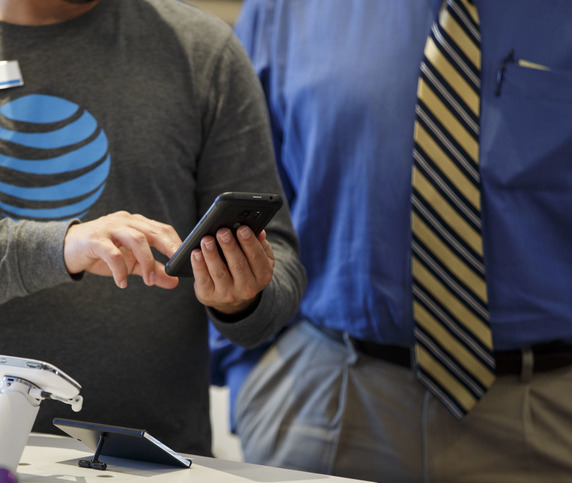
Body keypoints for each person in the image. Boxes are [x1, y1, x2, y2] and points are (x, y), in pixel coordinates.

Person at [0, 0, 306, 457]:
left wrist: (240, 297)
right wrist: (62, 246)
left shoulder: (203, 50)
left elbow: (277, 277)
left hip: (145, 455)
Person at [211, 0, 572, 480]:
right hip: (328, 401)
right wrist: (247, 379)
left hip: (544, 411)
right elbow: (231, 186)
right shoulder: (285, 8)